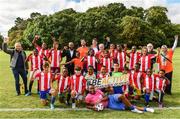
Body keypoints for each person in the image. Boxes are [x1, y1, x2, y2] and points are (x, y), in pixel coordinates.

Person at [85, 85, 154, 113]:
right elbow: (87, 105)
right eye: (90, 88)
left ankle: (133, 109)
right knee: (127, 106)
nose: (92, 89)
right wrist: (94, 108)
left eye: (93, 88)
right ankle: (146, 109)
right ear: (88, 89)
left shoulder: (98, 91)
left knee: (121, 96)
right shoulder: (88, 97)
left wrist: (101, 100)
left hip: (110, 98)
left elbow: (106, 96)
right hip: (110, 105)